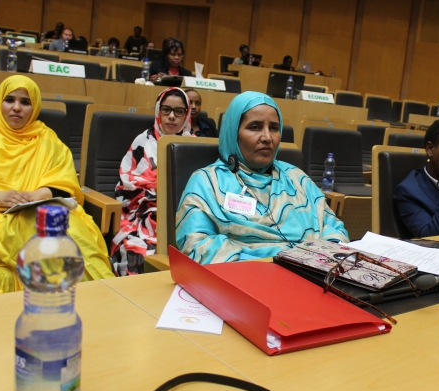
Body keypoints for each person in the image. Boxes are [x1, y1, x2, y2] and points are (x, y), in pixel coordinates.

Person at [0, 76, 114, 297]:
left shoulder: (47, 138)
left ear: (35, 107)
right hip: (1, 220)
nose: (17, 108)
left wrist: (40, 193)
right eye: (10, 100)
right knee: (7, 274)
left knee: (78, 243)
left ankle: (102, 301)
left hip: (49, 212)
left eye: (25, 102)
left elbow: (66, 180)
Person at [176, 91, 349, 264]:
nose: (267, 137)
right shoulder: (207, 181)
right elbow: (196, 244)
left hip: (310, 271)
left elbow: (334, 228)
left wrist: (323, 261)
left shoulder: (296, 177)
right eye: (255, 127)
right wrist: (263, 265)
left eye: (274, 128)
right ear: (233, 133)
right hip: (244, 274)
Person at [112, 87, 194, 275]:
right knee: (138, 250)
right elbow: (128, 185)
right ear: (158, 111)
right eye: (166, 110)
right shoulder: (143, 142)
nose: (171, 116)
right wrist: (158, 191)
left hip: (183, 214)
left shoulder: (194, 144)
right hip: (143, 215)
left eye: (178, 111)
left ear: (186, 114)